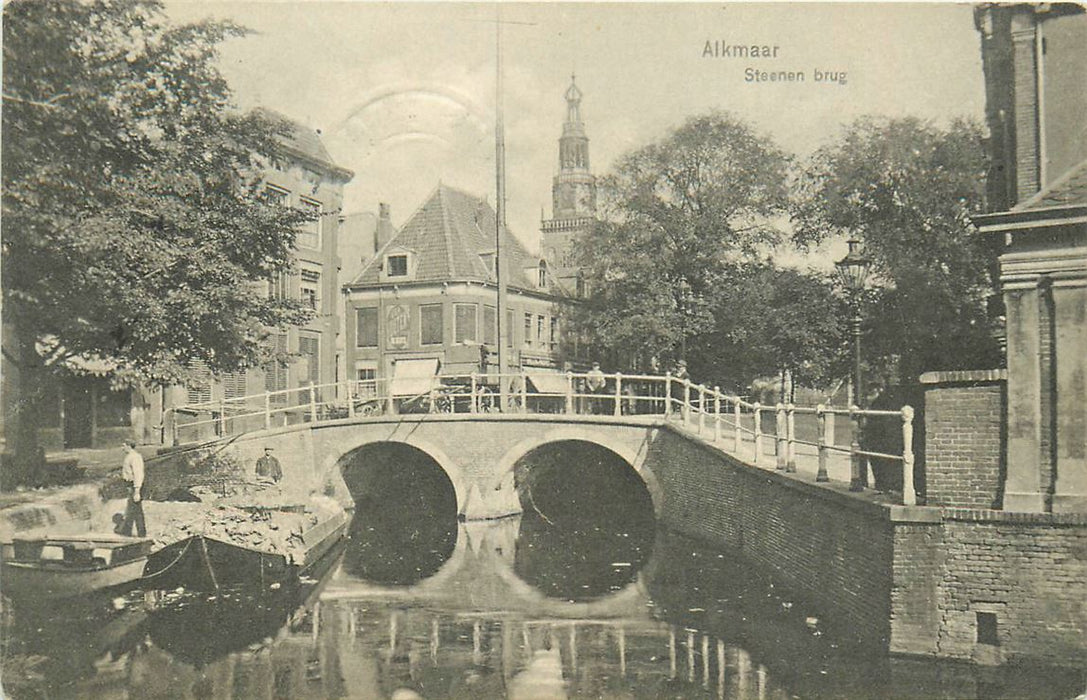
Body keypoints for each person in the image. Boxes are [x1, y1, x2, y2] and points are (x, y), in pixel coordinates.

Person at [120, 439, 146, 537]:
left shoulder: (135, 457)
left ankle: (139, 533)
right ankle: (131, 532)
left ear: (128, 446)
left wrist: (137, 491)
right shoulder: (129, 456)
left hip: (134, 486)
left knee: (135, 510)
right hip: (130, 486)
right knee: (133, 509)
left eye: (123, 446)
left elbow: (138, 474)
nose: (122, 448)